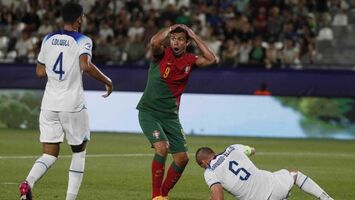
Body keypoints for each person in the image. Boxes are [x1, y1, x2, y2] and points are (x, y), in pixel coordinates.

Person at [18, 2, 113, 200]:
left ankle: (28, 183)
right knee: (79, 153)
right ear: (79, 18)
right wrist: (107, 80)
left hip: (49, 105)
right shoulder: (83, 40)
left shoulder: (48, 38)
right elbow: (85, 65)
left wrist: (55, 71)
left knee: (49, 154)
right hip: (72, 105)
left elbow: (39, 71)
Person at [137, 24, 217, 200]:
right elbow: (153, 42)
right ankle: (156, 196)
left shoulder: (190, 60)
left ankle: (163, 195)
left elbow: (212, 59)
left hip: (171, 116)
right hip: (149, 111)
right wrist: (171, 28)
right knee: (162, 148)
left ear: (186, 43)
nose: (176, 42)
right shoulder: (161, 54)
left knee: (182, 158)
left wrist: (195, 35)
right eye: (173, 38)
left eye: (181, 39)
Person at [195, 144, 334, 200]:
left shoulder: (210, 171)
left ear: (203, 163)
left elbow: (218, 197)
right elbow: (252, 150)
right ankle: (326, 198)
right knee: (294, 174)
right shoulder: (232, 148)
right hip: (273, 185)